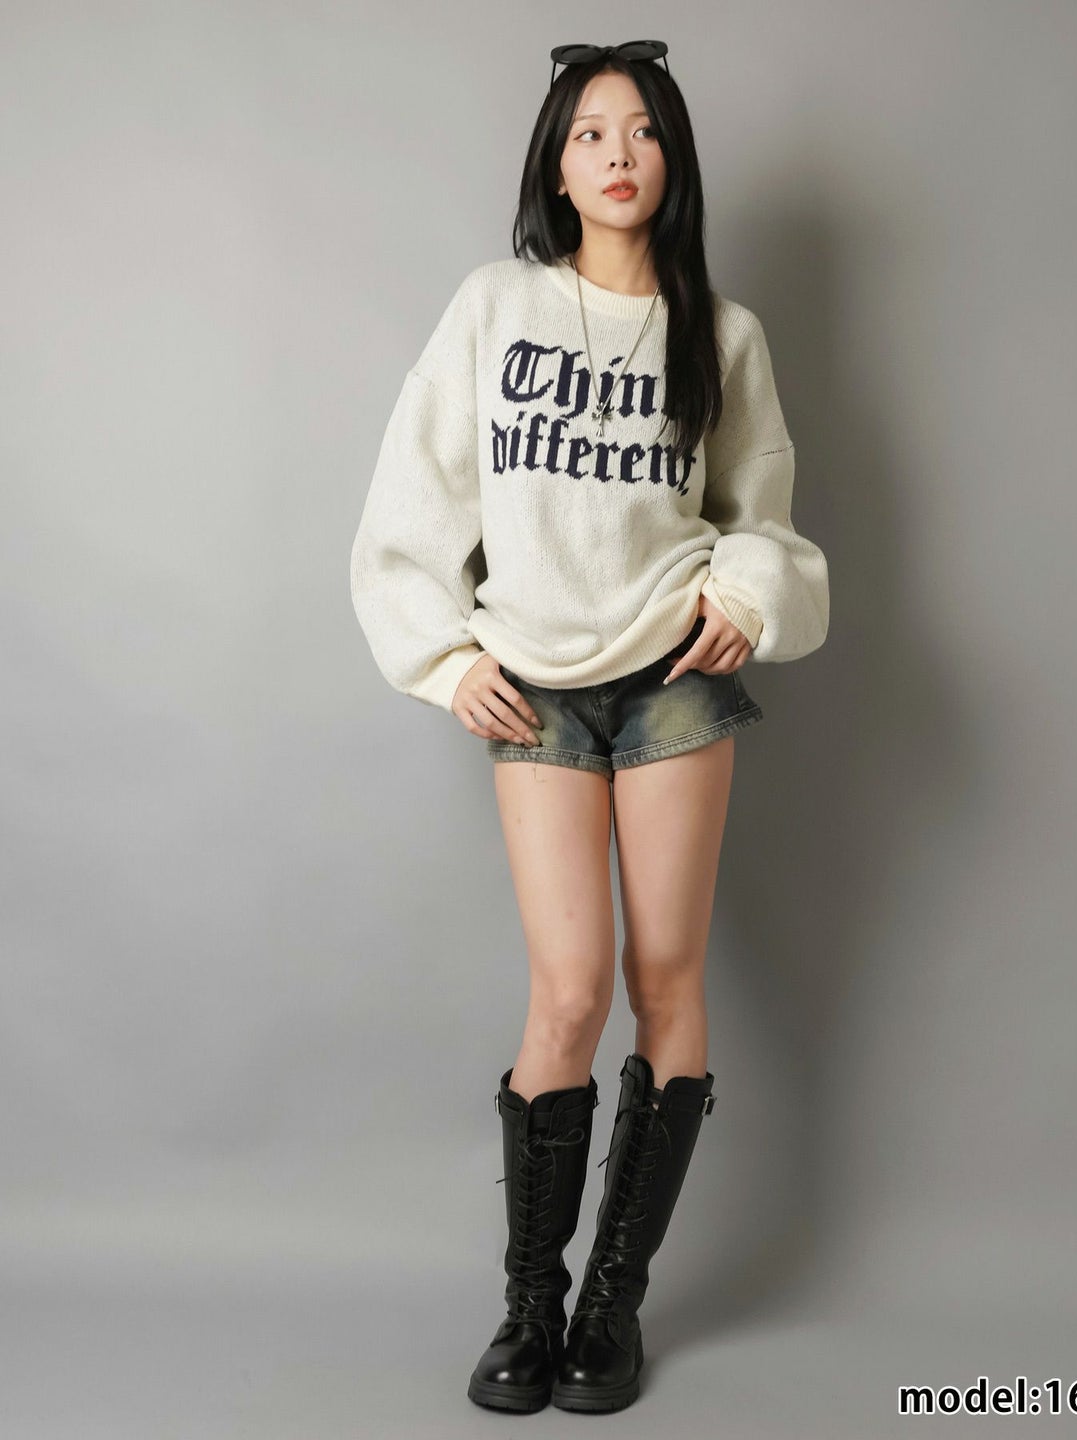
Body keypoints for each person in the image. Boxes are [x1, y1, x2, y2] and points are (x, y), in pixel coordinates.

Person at [349, 39, 829, 1415]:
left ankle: (611, 1308)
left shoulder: (721, 333)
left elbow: (761, 517)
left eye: (642, 132)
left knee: (665, 983)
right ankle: (529, 1306)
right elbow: (411, 500)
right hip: (539, 682)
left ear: (673, 159)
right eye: (590, 134)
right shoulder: (496, 306)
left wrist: (744, 595)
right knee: (568, 990)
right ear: (556, 168)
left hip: (673, 674)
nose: (618, 155)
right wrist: (445, 658)